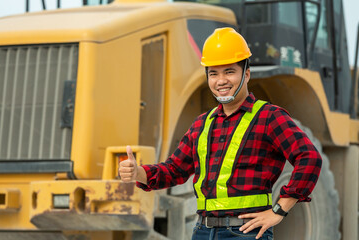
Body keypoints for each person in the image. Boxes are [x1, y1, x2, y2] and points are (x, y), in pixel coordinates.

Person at [119, 27, 322, 240]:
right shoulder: (201, 124)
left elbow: (309, 158)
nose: (221, 81)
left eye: (229, 71)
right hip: (203, 231)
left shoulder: (269, 117)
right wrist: (138, 173)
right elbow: (175, 170)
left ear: (246, 74)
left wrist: (279, 210)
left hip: (245, 233)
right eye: (213, 73)